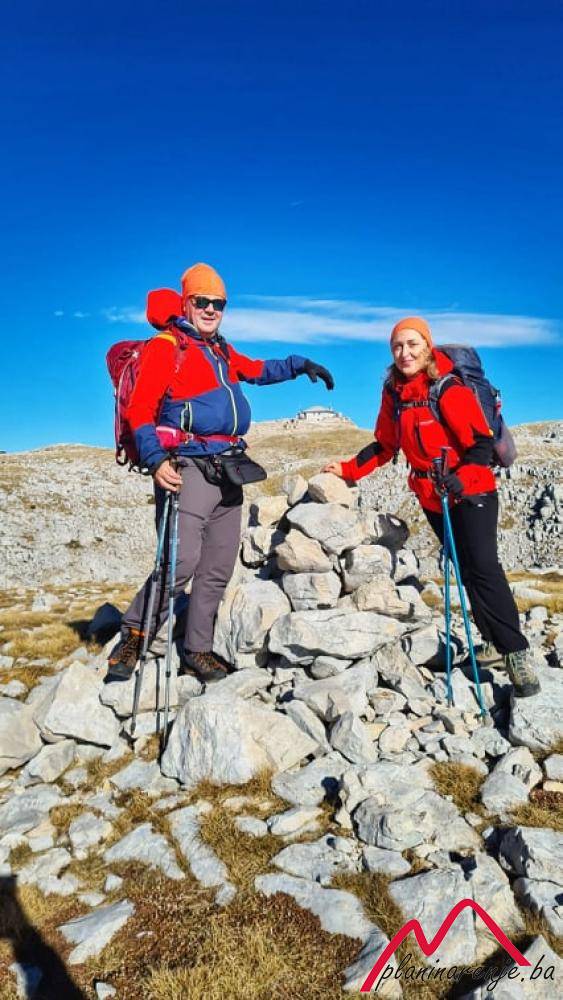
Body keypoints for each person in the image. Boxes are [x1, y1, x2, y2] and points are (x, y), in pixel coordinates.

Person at [107, 262, 334, 683]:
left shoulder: (221, 351)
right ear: (186, 303)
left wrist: (299, 364)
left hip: (229, 467)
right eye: (202, 301)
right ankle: (134, 634)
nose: (211, 309)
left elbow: (258, 370)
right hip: (187, 466)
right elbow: (140, 409)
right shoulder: (167, 347)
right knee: (180, 562)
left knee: (217, 566)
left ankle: (198, 649)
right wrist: (156, 460)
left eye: (219, 303)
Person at [324, 316, 540, 698]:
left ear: (427, 346)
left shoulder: (447, 387)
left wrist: (462, 478)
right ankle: (492, 641)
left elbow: (480, 443)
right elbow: (385, 445)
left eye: (413, 344)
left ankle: (517, 655)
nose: (404, 353)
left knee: (484, 569)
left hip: (471, 492)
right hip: (433, 496)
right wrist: (347, 470)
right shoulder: (394, 394)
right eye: (397, 346)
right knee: (465, 569)